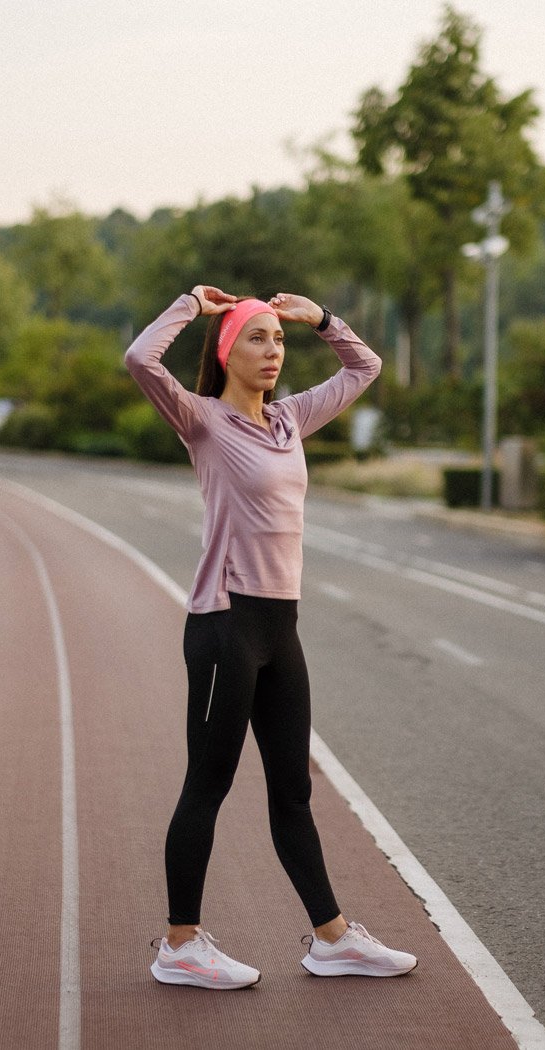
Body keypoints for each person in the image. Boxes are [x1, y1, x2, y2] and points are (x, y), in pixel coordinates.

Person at [125, 285, 418, 990]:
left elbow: (365, 367)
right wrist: (192, 305)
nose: (272, 351)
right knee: (208, 784)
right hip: (225, 625)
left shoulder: (290, 420)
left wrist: (319, 319)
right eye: (256, 338)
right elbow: (140, 359)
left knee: (293, 791)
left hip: (280, 629)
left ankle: (332, 940)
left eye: (277, 340)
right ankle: (179, 945)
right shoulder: (201, 420)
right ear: (227, 353)